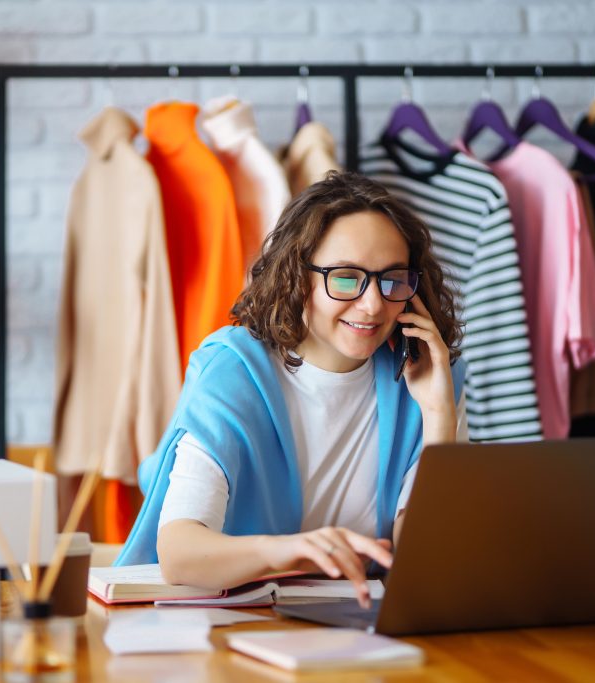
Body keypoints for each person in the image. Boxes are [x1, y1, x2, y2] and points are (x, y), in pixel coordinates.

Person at [115, 171, 467, 608]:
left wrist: (437, 416)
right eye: (345, 277)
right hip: (228, 624)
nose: (374, 304)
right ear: (297, 276)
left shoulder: (429, 377)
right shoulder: (234, 372)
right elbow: (180, 553)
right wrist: (287, 551)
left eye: (392, 278)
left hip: (362, 625)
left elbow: (427, 562)